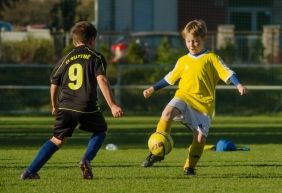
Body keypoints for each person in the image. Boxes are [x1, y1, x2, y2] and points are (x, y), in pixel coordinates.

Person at [141, 20, 246, 176]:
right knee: (167, 113)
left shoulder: (211, 58)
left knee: (199, 139)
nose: (192, 44)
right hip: (183, 97)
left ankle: (189, 167)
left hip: (203, 106)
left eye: (196, 41)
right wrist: (153, 88)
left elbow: (228, 72)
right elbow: (169, 78)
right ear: (185, 40)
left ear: (204, 39)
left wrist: (238, 84)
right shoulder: (183, 61)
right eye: (189, 41)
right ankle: (157, 151)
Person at [20, 21, 123, 180]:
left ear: (74, 40)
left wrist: (54, 105)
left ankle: (30, 172)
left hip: (65, 106)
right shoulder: (96, 57)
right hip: (86, 105)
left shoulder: (66, 58)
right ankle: (86, 159)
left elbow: (54, 84)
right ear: (92, 40)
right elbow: (102, 80)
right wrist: (113, 105)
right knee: (100, 130)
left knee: (57, 140)